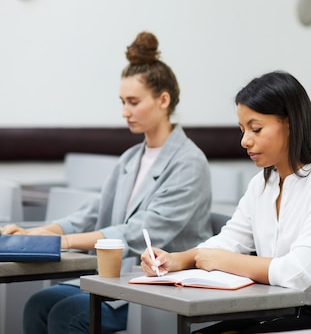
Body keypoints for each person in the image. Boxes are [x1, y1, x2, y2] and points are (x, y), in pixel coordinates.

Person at [1, 31, 213, 334]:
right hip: (117, 279)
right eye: (122, 101)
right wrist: (40, 232)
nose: (125, 111)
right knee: (38, 303)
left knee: (66, 314)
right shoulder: (131, 157)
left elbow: (137, 233)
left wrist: (62, 242)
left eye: (133, 102)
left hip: (157, 289)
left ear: (163, 100)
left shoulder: (189, 163)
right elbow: (94, 210)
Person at [140, 71, 311, 334]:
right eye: (243, 130)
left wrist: (220, 260)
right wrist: (176, 260)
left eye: (256, 129)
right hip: (285, 304)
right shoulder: (263, 183)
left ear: (290, 123)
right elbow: (230, 240)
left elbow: (297, 272)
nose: (244, 140)